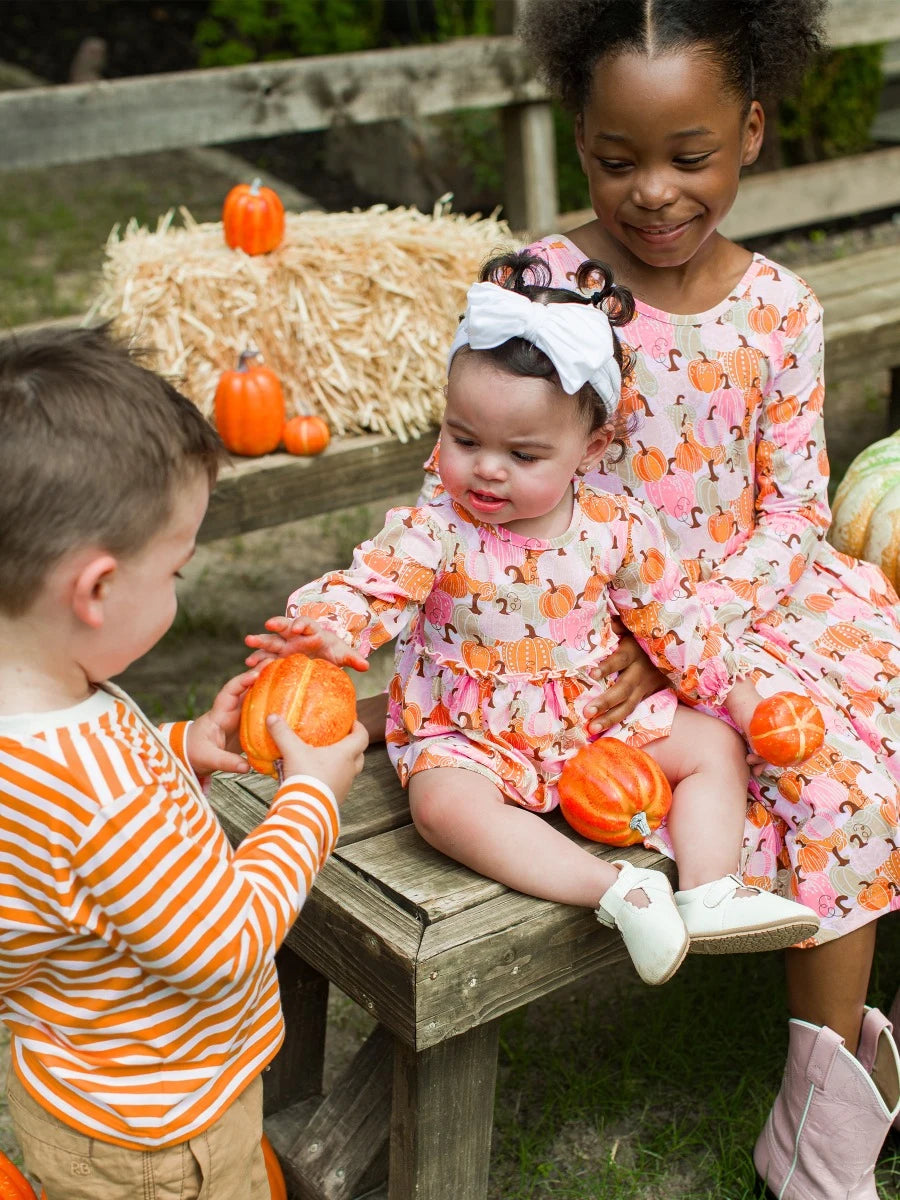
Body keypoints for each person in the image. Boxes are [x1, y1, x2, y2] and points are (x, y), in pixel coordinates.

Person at [498, 1, 899, 1195]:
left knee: (862, 748)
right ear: (580, 138)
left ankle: (832, 1090)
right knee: (821, 775)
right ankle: (830, 1124)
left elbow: (793, 516)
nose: (656, 193)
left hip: (751, 600)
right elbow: (494, 479)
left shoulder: (780, 307)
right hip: (593, 621)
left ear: (753, 133)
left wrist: (694, 632)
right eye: (620, 161)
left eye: (691, 157)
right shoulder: (544, 287)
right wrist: (626, 630)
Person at [247, 250, 821, 995]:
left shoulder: (615, 528)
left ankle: (708, 889)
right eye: (464, 440)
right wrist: (327, 628)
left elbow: (675, 627)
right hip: (470, 732)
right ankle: (617, 891)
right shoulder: (438, 529)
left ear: (591, 448)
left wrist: (742, 703)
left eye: (522, 453)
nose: (486, 470)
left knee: (711, 743)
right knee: (441, 807)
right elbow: (373, 586)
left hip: (592, 716)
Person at [0, 326, 368, 1199]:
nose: (179, 588)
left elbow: (70, 851)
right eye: (175, 570)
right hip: (162, 1133)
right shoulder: (103, 797)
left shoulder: (47, 705)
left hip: (73, 1073)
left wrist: (184, 747)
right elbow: (226, 944)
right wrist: (311, 800)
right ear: (94, 591)